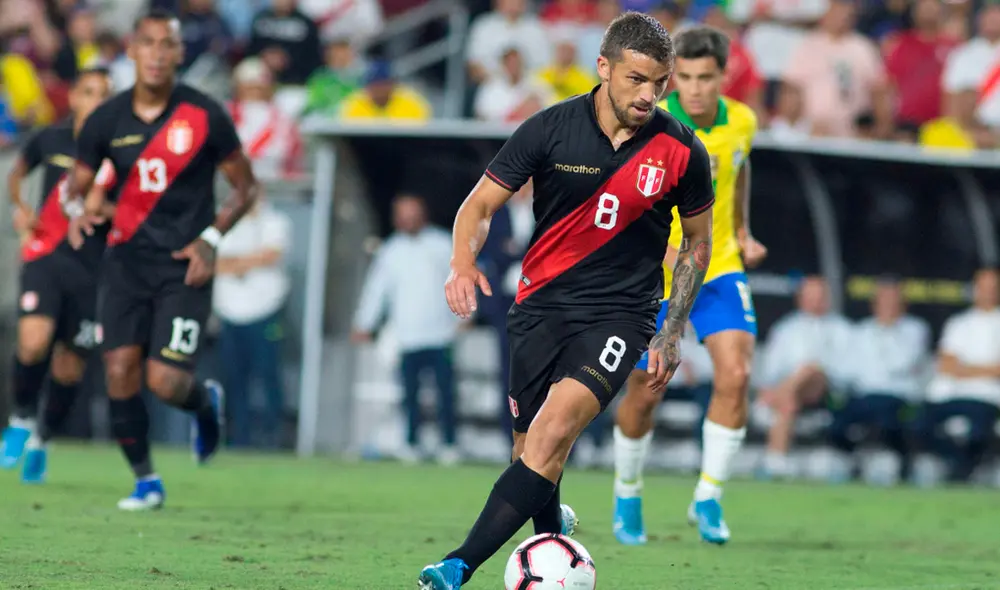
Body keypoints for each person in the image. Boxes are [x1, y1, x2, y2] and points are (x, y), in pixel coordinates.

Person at [418, 12, 714, 590]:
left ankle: (456, 565)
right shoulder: (549, 128)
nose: (648, 95)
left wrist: (670, 327)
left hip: (620, 316)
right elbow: (478, 207)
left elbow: (698, 244)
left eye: (660, 83)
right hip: (539, 307)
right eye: (636, 80)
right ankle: (552, 529)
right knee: (530, 451)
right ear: (603, 68)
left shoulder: (682, 150)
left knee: (553, 433)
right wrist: (462, 262)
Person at [61, 9, 260, 510]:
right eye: (146, 43)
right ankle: (146, 480)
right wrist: (76, 211)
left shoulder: (205, 114)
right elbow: (74, 187)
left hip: (183, 264)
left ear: (178, 52)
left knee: (165, 381)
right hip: (125, 262)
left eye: (165, 44)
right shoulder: (106, 119)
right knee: (120, 371)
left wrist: (211, 238)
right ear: (131, 51)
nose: (155, 53)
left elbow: (246, 187)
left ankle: (203, 403)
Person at [611, 25, 764, 547]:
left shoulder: (742, 121)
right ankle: (627, 492)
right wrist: (668, 252)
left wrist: (743, 229)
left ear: (724, 76)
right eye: (688, 78)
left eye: (708, 78)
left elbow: (738, 173)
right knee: (644, 389)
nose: (696, 88)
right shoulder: (651, 123)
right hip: (656, 272)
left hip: (718, 266)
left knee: (737, 374)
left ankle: (709, 495)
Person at [0, 68, 116, 483]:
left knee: (70, 366)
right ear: (75, 98)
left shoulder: (121, 153)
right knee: (32, 343)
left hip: (92, 268)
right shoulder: (51, 138)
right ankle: (20, 418)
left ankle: (43, 440)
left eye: (105, 94)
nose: (96, 101)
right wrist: (20, 207)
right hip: (45, 255)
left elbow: (133, 209)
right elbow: (17, 174)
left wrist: (107, 211)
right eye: (89, 92)